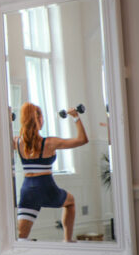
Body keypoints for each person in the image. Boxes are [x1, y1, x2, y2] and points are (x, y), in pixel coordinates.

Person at [13, 102, 88, 242]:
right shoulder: (49, 142)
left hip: (27, 189)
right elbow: (82, 140)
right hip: (46, 187)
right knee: (70, 201)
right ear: (39, 119)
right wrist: (75, 117)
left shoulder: (17, 142)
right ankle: (67, 239)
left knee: (21, 237)